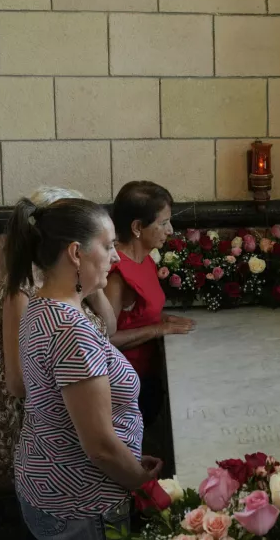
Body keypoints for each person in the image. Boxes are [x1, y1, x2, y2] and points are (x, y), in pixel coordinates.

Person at [5, 197, 161, 539]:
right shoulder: (70, 331)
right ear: (76, 253)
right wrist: (137, 477)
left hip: (49, 481)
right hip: (82, 504)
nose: (117, 256)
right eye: (107, 246)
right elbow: (101, 448)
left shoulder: (43, 304)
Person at [0, 187, 118, 485]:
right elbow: (18, 381)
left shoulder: (71, 281)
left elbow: (109, 328)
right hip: (47, 425)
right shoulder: (26, 288)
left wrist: (94, 286)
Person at [106, 181, 194, 428]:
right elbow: (104, 339)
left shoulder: (144, 259)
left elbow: (138, 314)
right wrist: (159, 329)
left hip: (150, 374)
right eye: (163, 223)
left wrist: (164, 318)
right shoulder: (117, 273)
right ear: (137, 227)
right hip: (126, 386)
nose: (170, 230)